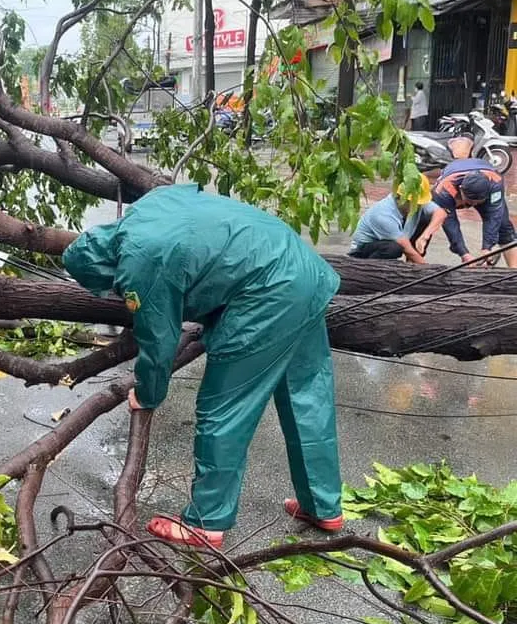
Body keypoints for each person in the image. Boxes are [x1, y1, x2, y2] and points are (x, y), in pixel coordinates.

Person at [62, 185, 345, 549]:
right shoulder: (147, 210)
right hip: (302, 270)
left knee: (223, 406)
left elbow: (158, 342)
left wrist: (146, 394)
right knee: (305, 395)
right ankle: (322, 506)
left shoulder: (138, 266)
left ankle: (206, 521)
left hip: (267, 293)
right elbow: (208, 257)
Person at [431, 134, 517, 267]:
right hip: (451, 189)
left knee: (504, 226)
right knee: (430, 219)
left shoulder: (495, 182)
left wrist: (487, 248)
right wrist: (464, 253)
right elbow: (450, 223)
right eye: (471, 202)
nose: (474, 206)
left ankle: (514, 273)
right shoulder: (443, 190)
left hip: (486, 184)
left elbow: (494, 216)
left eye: (478, 202)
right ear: (461, 190)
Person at [348, 175, 447, 263]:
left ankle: (412, 267)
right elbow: (406, 248)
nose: (417, 206)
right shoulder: (383, 214)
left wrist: (425, 236)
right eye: (414, 203)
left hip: (392, 241)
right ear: (400, 197)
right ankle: (370, 270)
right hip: (363, 251)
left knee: (427, 219)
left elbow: (441, 213)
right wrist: (426, 269)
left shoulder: (416, 203)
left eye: (419, 203)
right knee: (394, 248)